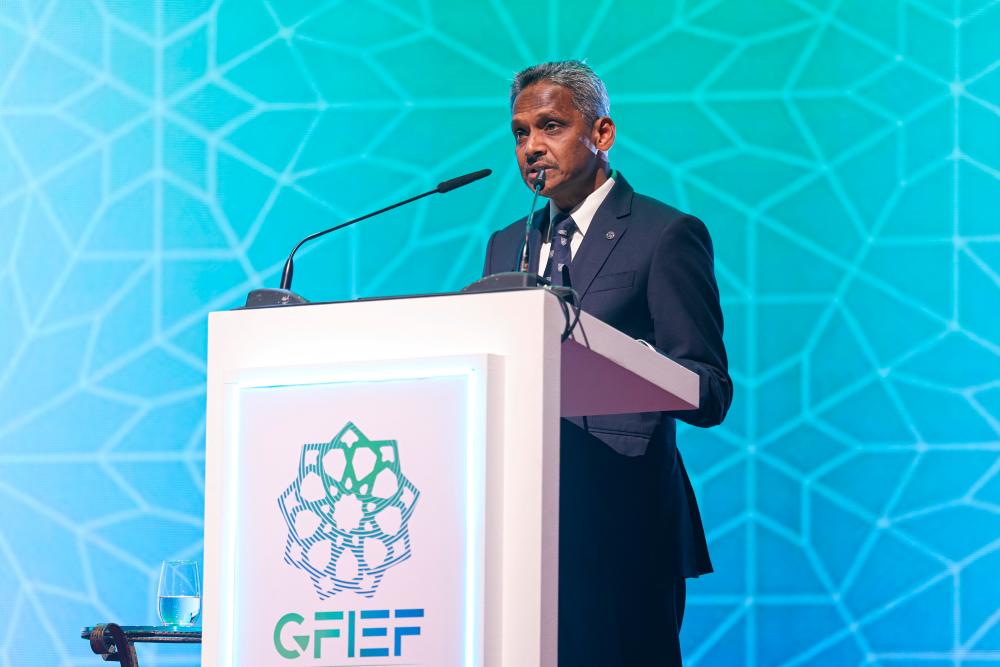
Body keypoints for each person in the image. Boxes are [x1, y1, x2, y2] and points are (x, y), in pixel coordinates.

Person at [481, 60, 733, 666]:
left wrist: (632, 364)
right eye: (520, 133)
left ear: (601, 134)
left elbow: (710, 389)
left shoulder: (664, 233)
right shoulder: (505, 245)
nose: (533, 147)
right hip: (525, 528)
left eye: (551, 126)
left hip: (626, 524)